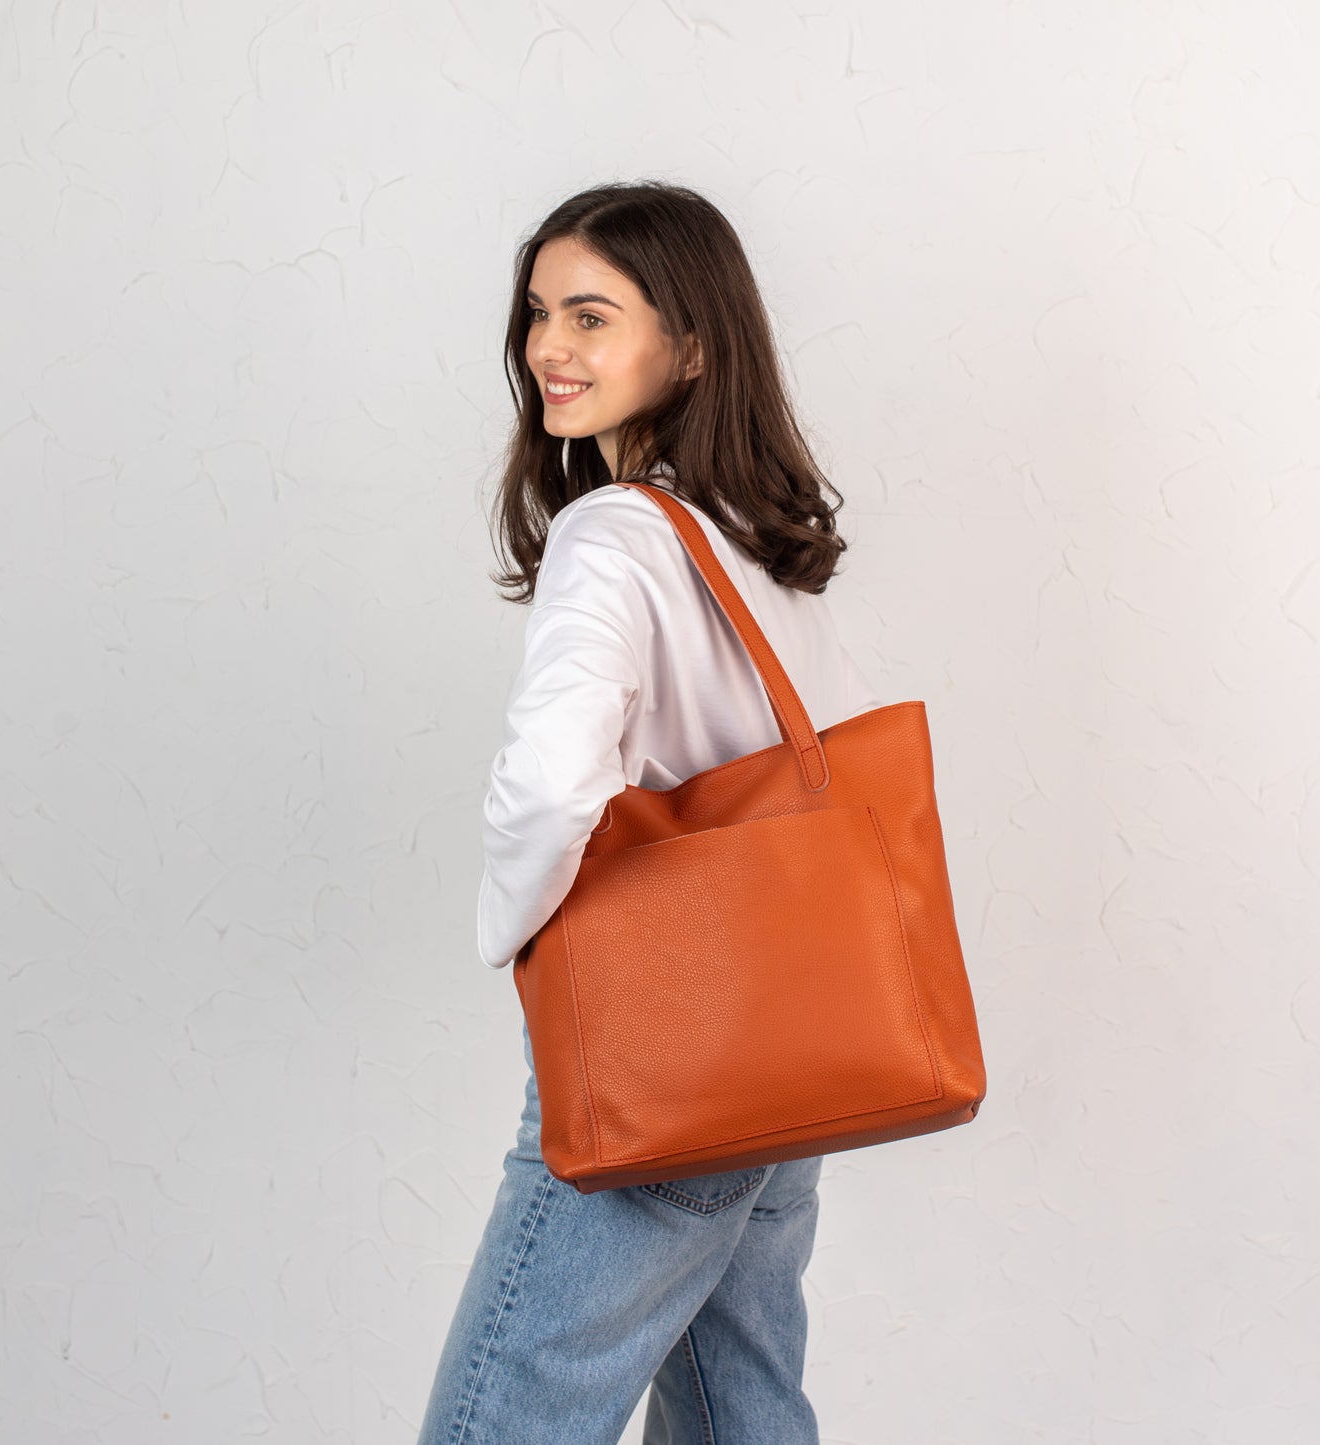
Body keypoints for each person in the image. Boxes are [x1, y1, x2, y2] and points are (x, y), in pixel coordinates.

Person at [416, 180, 884, 1445]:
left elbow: (552, 783)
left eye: (589, 316)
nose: (548, 351)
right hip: (784, 1065)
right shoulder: (754, 538)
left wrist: (509, 932)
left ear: (688, 345)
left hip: (660, 1052)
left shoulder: (616, 533)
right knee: (744, 1410)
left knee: (501, 1418)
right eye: (537, 315)